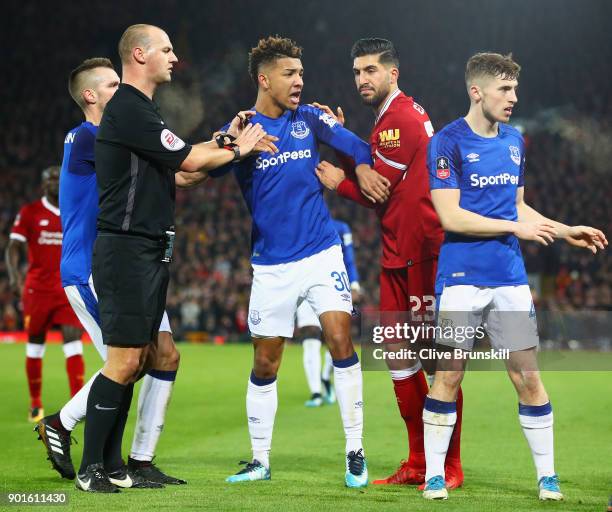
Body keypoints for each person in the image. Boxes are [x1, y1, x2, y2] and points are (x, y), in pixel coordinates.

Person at [75, 24, 269, 493]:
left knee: (138, 360)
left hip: (147, 249)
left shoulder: (142, 113)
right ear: (139, 55)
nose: (174, 57)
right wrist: (238, 148)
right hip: (125, 249)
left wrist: (225, 140)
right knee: (122, 361)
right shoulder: (129, 110)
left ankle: (117, 466)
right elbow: (187, 162)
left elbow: (184, 168)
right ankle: (90, 469)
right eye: (166, 49)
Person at [421, 52, 607, 501]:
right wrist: (514, 227)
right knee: (448, 374)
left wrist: (563, 231)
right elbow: (450, 215)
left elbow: (518, 208)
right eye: (504, 89)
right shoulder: (446, 142)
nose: (513, 98)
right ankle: (433, 475)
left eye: (515, 89)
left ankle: (547, 477)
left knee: (527, 376)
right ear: (476, 91)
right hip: (462, 276)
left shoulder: (514, 141)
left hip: (508, 277)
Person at [213, 36, 374, 488]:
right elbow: (204, 167)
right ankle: (260, 460)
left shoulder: (311, 118)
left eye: (301, 73)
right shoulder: (244, 129)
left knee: (340, 338)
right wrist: (232, 141)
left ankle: (355, 450)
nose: (300, 81)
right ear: (265, 79)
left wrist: (353, 165)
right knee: (266, 362)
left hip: (322, 252)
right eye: (290, 74)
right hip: (271, 265)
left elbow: (358, 146)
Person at [314, 38, 463, 487]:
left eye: (371, 70)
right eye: (357, 71)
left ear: (392, 73)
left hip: (423, 251)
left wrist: (339, 182)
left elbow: (375, 189)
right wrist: (344, 143)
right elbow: (378, 172)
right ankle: (417, 461)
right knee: (399, 357)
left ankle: (447, 465)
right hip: (398, 250)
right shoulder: (390, 118)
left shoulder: (397, 119)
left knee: (436, 363)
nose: (362, 78)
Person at [34, 57, 184, 488]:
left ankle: (140, 460)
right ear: (90, 95)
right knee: (126, 361)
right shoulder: (87, 137)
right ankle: (62, 424)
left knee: (165, 356)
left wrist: (225, 144)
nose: (123, 91)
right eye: (114, 85)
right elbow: (175, 161)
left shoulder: (119, 135)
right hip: (93, 267)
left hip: (131, 262)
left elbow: (175, 167)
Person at [6, 166, 85, 423]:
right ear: (43, 185)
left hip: (67, 287)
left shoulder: (73, 209)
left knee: (73, 340)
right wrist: (15, 277)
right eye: (49, 178)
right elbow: (13, 248)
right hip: (37, 290)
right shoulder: (30, 213)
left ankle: (77, 402)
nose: (54, 182)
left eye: (57, 178)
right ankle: (35, 404)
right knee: (36, 343)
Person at [299, 217, 360, 408]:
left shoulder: (341, 227)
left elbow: (348, 255)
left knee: (336, 337)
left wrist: (354, 284)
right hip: (302, 283)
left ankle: (325, 377)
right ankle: (316, 392)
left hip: (330, 284)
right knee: (310, 337)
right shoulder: (298, 224)